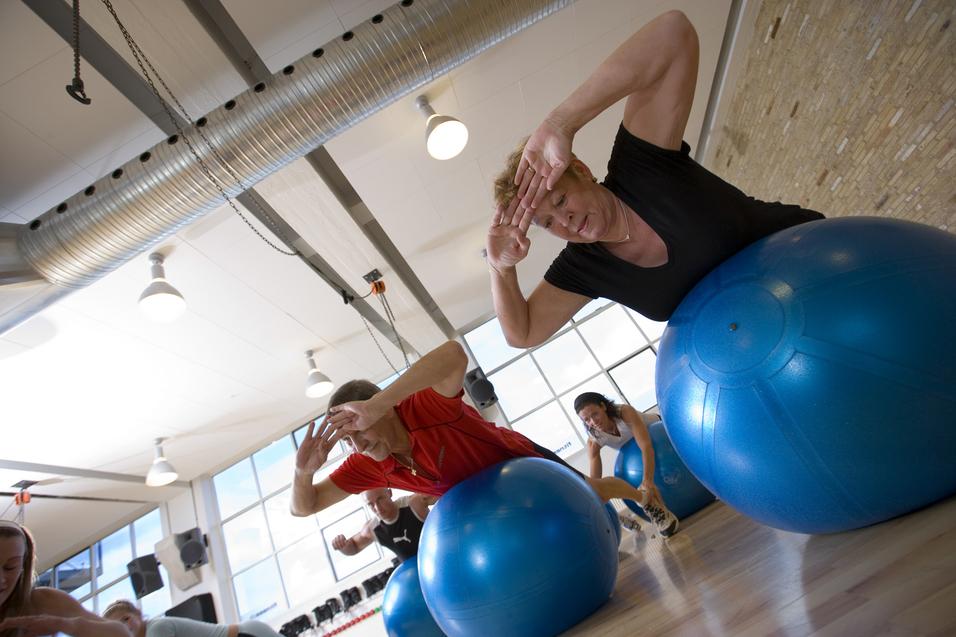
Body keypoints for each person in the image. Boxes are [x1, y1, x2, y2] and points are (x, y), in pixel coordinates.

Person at [486, 10, 825, 348]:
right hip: (763, 341)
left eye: (560, 200)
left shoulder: (640, 164)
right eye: (546, 223)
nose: (564, 220)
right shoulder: (585, 267)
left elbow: (673, 32)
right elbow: (523, 333)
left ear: (583, 172)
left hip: (812, 270)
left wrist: (562, 123)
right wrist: (501, 270)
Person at [290, 341, 650, 520]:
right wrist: (302, 473)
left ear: (382, 409)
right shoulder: (366, 465)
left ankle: (645, 497)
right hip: (482, 500)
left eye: (357, 427)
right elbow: (304, 507)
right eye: (346, 439)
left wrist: (377, 404)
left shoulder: (422, 407)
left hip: (519, 462)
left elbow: (453, 354)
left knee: (593, 492)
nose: (356, 445)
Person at [0, 520, 131, 637]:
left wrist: (66, 625)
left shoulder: (42, 602)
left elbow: (121, 634)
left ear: (23, 567)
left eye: (10, 567)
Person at [574, 392, 678, 537]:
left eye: (595, 414)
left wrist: (647, 481)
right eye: (587, 420)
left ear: (603, 406)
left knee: (647, 485)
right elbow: (595, 483)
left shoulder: (624, 412)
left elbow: (646, 446)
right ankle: (630, 516)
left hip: (663, 439)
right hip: (637, 458)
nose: (593, 422)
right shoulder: (594, 441)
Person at [331, 489, 431, 563]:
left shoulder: (415, 503)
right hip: (415, 574)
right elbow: (354, 547)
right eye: (371, 504)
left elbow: (441, 492)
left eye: (380, 499)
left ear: (389, 493)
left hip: (440, 556)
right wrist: (342, 547)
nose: (377, 508)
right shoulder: (372, 529)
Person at [102, 600, 280, 637]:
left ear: (138, 615)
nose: (125, 626)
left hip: (246, 634)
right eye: (118, 625)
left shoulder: (156, 628)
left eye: (126, 618)